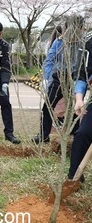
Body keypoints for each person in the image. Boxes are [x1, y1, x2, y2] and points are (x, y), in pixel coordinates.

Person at [32, 16, 85, 144]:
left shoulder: (84, 43)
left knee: (74, 109)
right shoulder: (59, 42)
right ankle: (44, 135)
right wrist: (46, 78)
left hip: (76, 79)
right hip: (59, 78)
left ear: (81, 29)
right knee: (48, 107)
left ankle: (75, 135)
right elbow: (49, 61)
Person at [68, 31, 92, 182]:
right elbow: (82, 75)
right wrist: (79, 98)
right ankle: (74, 178)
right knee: (82, 134)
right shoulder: (88, 42)